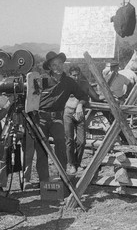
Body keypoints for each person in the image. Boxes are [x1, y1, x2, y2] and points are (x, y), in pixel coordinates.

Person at [30, 51, 88, 184]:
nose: (58, 67)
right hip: (41, 119)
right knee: (42, 150)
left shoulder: (69, 82)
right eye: (54, 65)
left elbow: (84, 96)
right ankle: (44, 182)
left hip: (57, 119)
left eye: (60, 64)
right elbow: (31, 98)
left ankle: (62, 179)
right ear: (49, 67)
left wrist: (79, 106)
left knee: (61, 148)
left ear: (63, 64)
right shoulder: (41, 80)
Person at [64, 65, 101, 174]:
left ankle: (77, 163)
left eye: (78, 74)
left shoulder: (84, 84)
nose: (76, 77)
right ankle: (71, 164)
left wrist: (108, 97)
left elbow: (95, 97)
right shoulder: (66, 84)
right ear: (70, 75)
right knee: (69, 140)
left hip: (80, 114)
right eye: (74, 75)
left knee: (81, 141)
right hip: (68, 113)